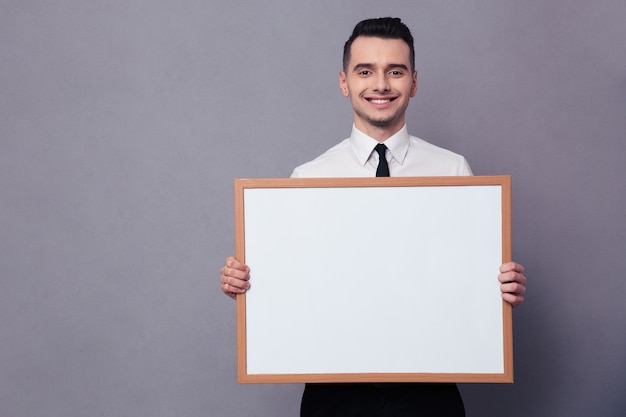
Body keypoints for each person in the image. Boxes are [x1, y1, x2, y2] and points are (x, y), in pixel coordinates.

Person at [220, 17, 527, 417]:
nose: (380, 84)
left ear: (413, 83)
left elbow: (466, 280)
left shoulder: (453, 171)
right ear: (344, 82)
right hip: (334, 392)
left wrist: (500, 289)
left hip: (429, 390)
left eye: (394, 71)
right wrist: (247, 284)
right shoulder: (308, 178)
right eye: (365, 71)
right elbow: (293, 284)